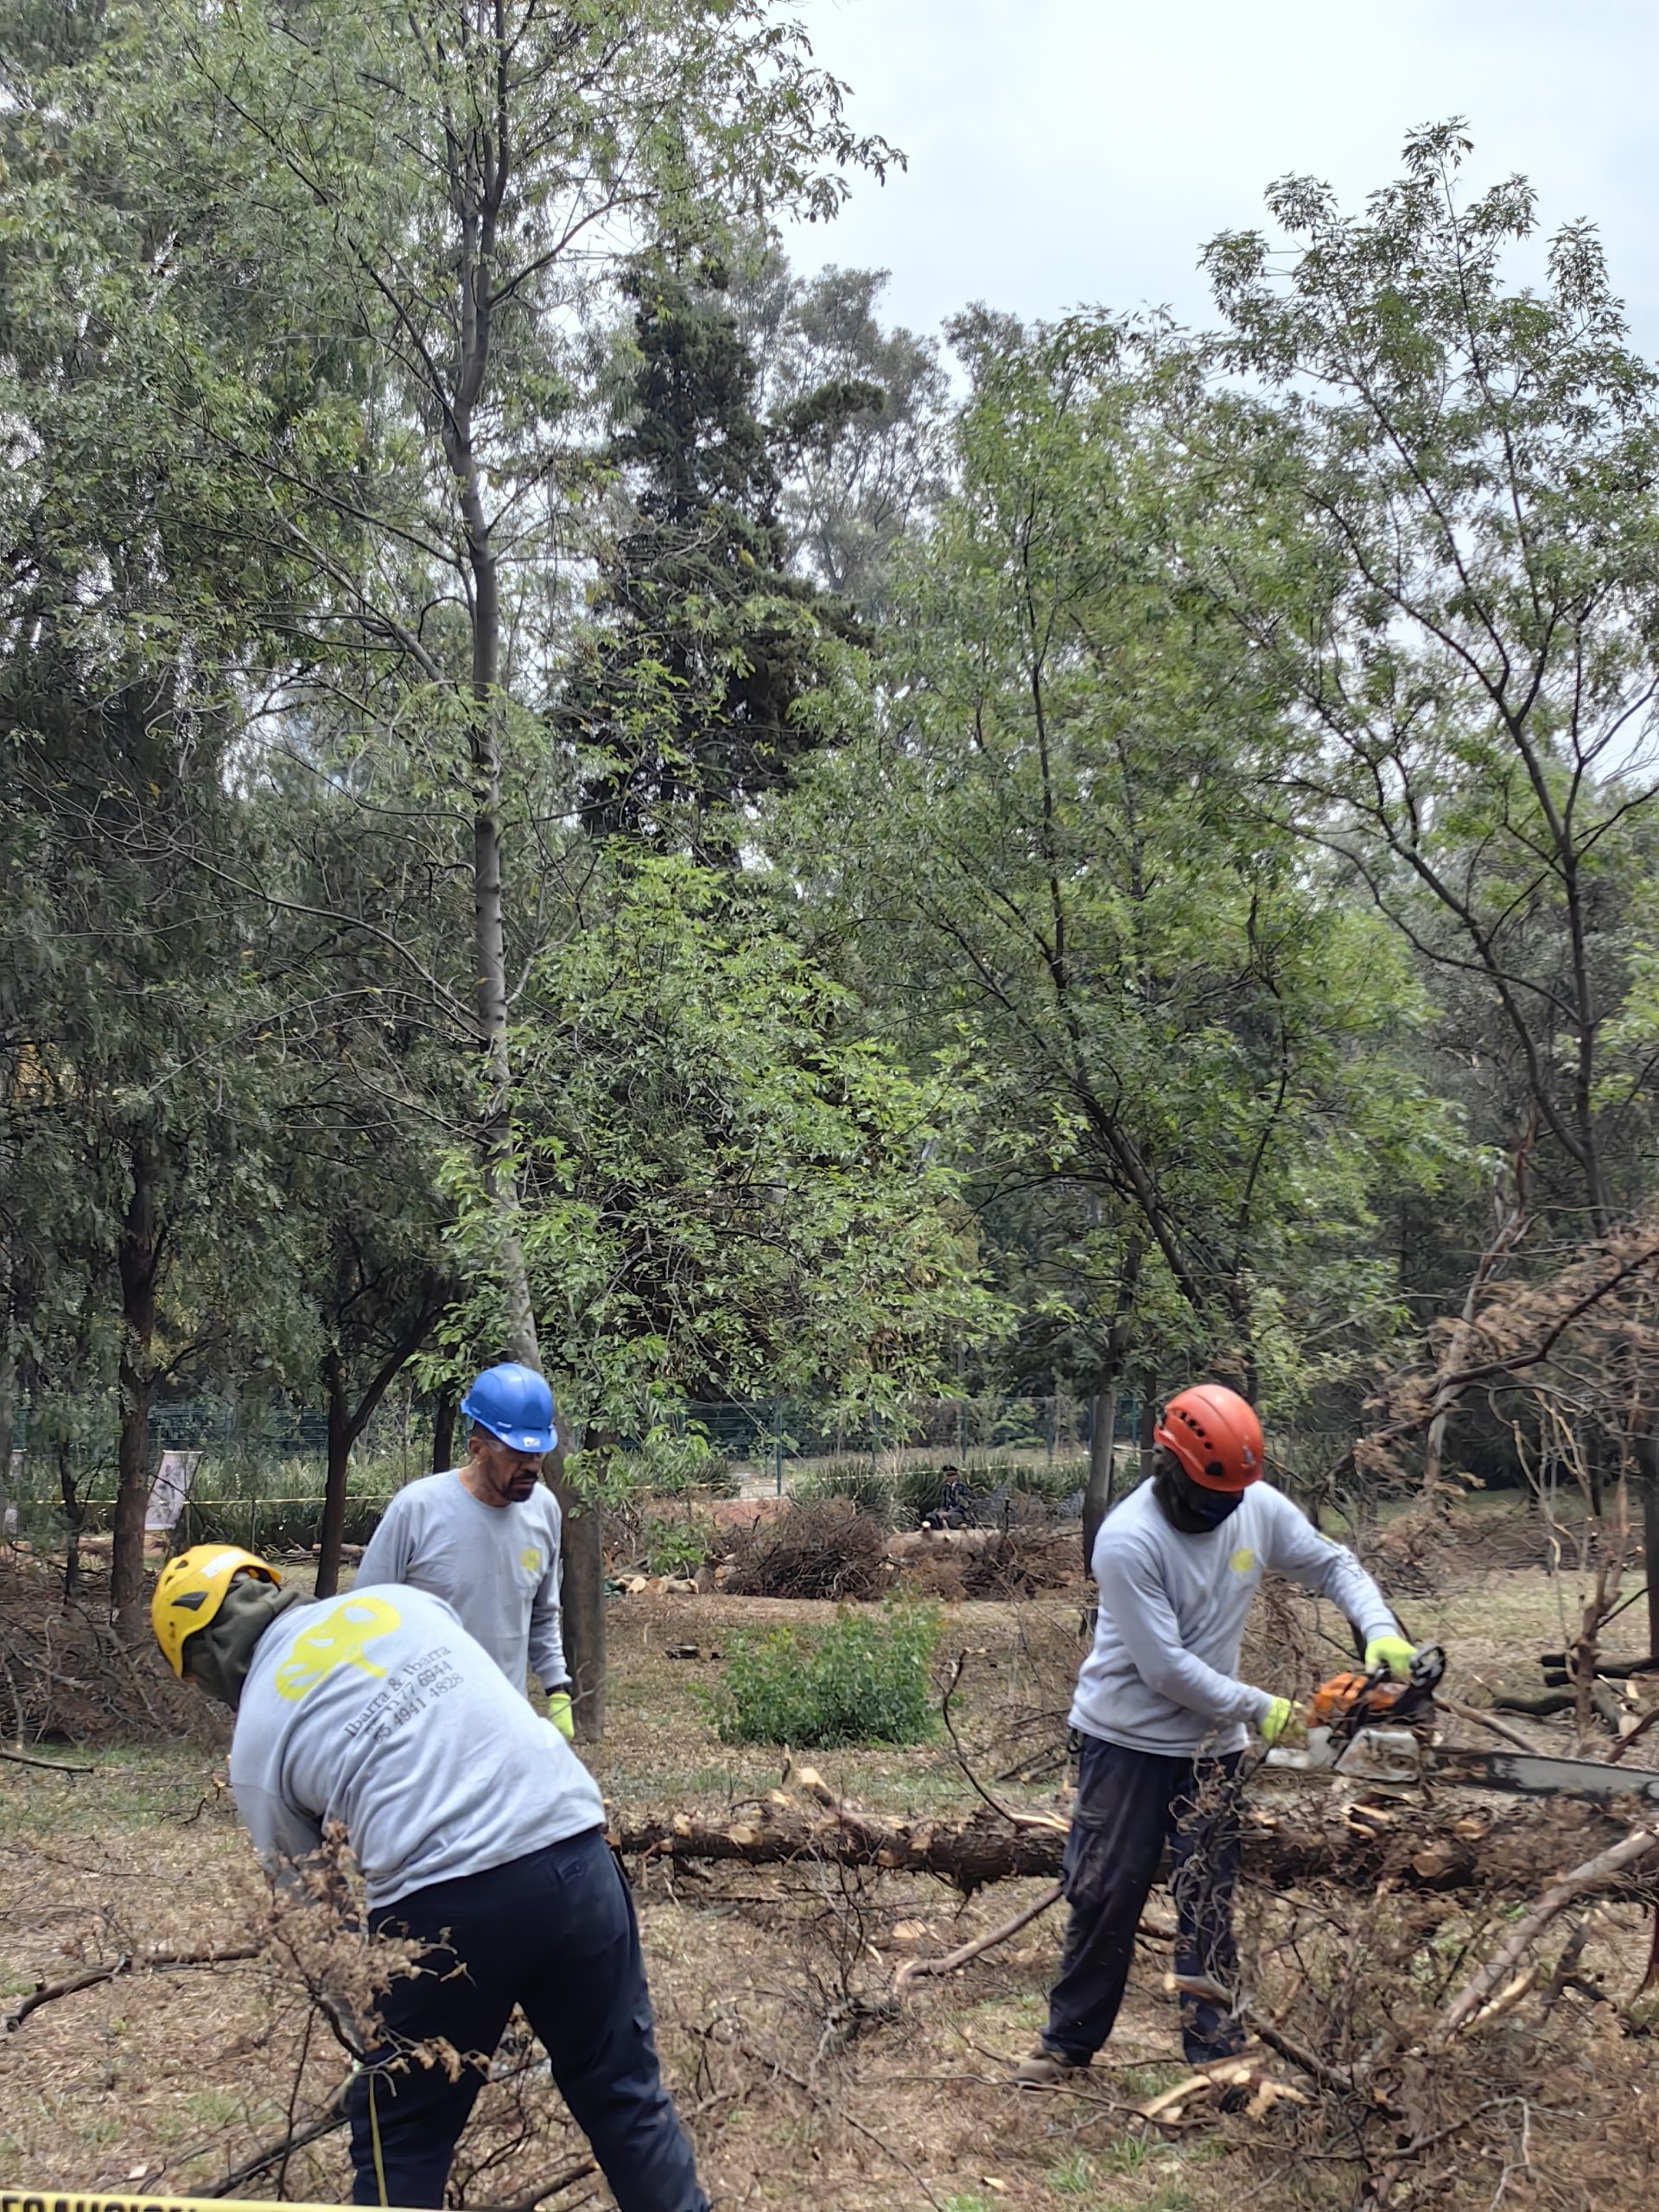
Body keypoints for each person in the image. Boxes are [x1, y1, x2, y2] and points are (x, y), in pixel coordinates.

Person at [150, 1542, 709, 2212]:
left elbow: (318, 1925)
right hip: (575, 1847)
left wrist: (381, 2046)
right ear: (271, 1588)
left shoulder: (258, 1739)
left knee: (402, 2139)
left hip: (445, 1903)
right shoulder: (396, 1602)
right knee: (626, 2097)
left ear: (202, 1663)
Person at [1014, 1382, 1413, 2088]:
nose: (1223, 1509)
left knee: (1208, 1898)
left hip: (1210, 1749)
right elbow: (1165, 1668)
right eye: (1210, 1495)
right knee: (1105, 1893)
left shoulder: (1253, 1504)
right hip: (1126, 1740)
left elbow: (1332, 1562)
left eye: (1232, 1495)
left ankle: (1218, 2056)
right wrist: (1264, 1709)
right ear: (1172, 1468)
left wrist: (1380, 1632)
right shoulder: (1130, 1538)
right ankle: (1067, 2045)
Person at [358, 1363, 575, 1738]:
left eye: (538, 1455)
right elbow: (365, 1619)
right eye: (518, 1456)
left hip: (503, 1726)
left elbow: (542, 1614)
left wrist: (557, 1689)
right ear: (479, 1449)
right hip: (420, 1731)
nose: (531, 1467)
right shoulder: (418, 1509)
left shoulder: (544, 1511)